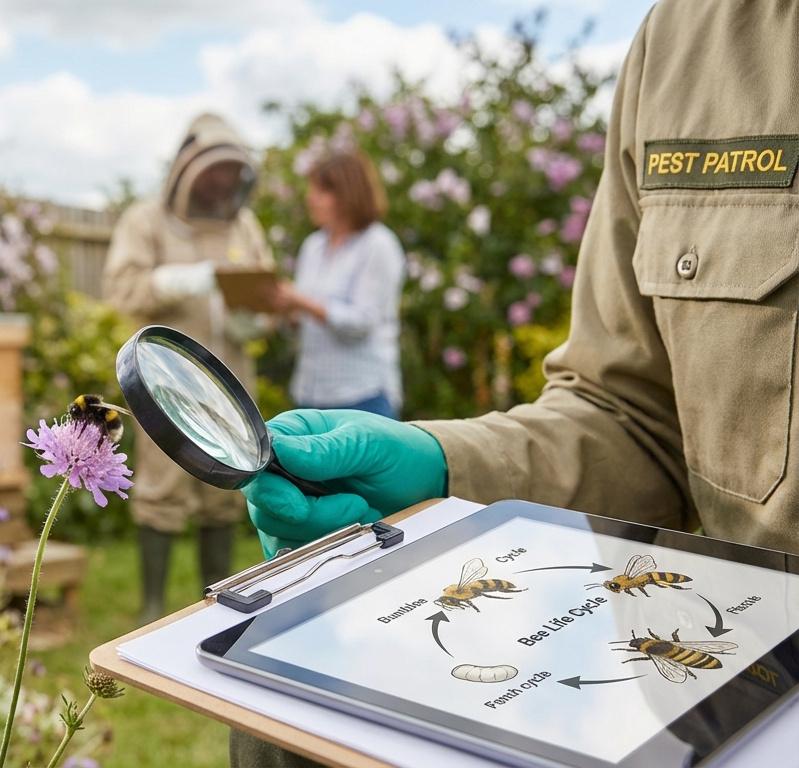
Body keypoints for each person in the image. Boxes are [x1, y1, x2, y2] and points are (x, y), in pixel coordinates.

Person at [232, 1, 799, 764]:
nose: (312, 202)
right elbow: (635, 416)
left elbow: (361, 317)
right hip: (743, 679)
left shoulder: (379, 246)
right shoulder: (684, 40)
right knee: (279, 725)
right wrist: (444, 469)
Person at [103, 113, 274, 623]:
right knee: (162, 487)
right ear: (187, 170)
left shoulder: (244, 224)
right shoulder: (146, 220)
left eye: (229, 173)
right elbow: (121, 290)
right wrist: (182, 281)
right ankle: (152, 607)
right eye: (213, 172)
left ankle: (215, 601)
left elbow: (264, 290)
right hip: (165, 381)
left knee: (224, 488)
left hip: (231, 378)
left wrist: (255, 317)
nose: (222, 183)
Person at [269, 151, 404, 418]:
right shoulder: (313, 246)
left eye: (321, 191)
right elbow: (306, 318)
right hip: (312, 394)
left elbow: (361, 323)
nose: (310, 197)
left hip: (363, 395)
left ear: (347, 194)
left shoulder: (378, 245)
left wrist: (301, 301)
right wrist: (289, 311)